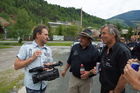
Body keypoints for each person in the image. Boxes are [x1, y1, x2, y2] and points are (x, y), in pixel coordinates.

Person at [14, 25, 53, 93]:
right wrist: (32, 58)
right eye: (46, 35)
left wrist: (49, 66)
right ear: (38, 34)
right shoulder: (26, 47)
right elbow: (16, 66)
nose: (48, 37)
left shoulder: (48, 49)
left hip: (44, 84)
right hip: (32, 86)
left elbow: (49, 65)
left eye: (48, 35)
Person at [61, 29, 100, 93]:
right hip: (74, 78)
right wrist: (65, 70)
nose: (80, 39)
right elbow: (70, 60)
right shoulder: (75, 47)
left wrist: (89, 73)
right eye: (80, 37)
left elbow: (97, 68)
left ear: (89, 39)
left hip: (86, 81)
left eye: (83, 38)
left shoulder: (95, 52)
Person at [99, 24, 131, 93]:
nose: (101, 36)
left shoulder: (122, 51)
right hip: (104, 88)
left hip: (115, 90)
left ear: (113, 34)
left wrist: (116, 91)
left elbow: (124, 76)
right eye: (101, 34)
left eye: (104, 33)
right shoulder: (105, 48)